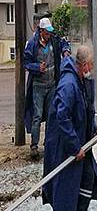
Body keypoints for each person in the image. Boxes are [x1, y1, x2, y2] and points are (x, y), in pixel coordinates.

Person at [42, 45, 97, 211]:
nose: (92, 67)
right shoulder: (68, 85)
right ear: (84, 64)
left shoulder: (81, 80)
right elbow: (62, 116)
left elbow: (85, 110)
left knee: (87, 178)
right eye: (92, 63)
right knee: (63, 187)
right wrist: (74, 146)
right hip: (64, 146)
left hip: (80, 142)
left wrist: (94, 129)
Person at [24, 17, 71, 159]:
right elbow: (25, 62)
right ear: (41, 31)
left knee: (51, 115)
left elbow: (63, 43)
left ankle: (48, 143)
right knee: (37, 116)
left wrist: (66, 50)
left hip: (52, 85)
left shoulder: (53, 39)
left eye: (50, 32)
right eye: (47, 32)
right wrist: (37, 67)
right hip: (38, 86)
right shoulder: (32, 44)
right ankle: (34, 146)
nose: (49, 34)